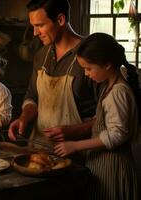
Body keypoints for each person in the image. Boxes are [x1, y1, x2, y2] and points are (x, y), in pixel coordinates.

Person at [50, 32, 140, 199]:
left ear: (107, 64)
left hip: (112, 170)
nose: (86, 74)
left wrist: (75, 146)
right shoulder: (110, 87)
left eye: (88, 68)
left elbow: (117, 135)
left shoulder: (118, 92)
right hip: (103, 167)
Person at [8, 0, 99, 152]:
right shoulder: (41, 55)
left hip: (78, 152)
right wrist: (24, 117)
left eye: (40, 25)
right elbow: (32, 96)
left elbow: (110, 115)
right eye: (33, 26)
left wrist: (77, 130)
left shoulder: (90, 55)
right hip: (39, 148)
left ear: (60, 20)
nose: (35, 33)